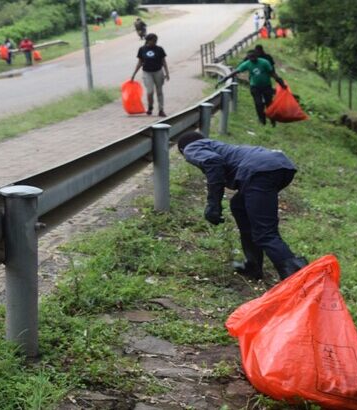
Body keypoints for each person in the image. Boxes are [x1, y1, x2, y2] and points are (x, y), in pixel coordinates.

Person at [177, 132, 308, 281]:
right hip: (280, 167)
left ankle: (299, 278)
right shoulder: (215, 145)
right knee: (239, 206)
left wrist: (213, 204)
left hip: (259, 172)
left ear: (182, 150)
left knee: (265, 232)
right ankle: (253, 266)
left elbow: (213, 162)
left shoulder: (191, 147)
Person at [220, 50, 285, 126]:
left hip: (266, 86)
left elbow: (272, 73)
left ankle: (272, 120)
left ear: (257, 56)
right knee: (258, 103)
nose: (252, 59)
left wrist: (280, 82)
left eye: (253, 57)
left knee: (269, 103)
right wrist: (226, 78)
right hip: (255, 87)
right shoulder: (247, 64)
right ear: (248, 57)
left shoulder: (264, 62)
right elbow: (236, 71)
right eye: (250, 57)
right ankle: (261, 119)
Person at [131, 33, 169, 117]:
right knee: (150, 91)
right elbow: (140, 62)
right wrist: (133, 74)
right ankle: (150, 106)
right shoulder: (142, 49)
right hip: (147, 72)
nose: (155, 42)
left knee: (159, 91)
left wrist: (167, 72)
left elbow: (164, 62)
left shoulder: (159, 49)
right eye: (153, 40)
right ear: (148, 41)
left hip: (158, 71)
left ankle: (161, 110)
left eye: (156, 41)